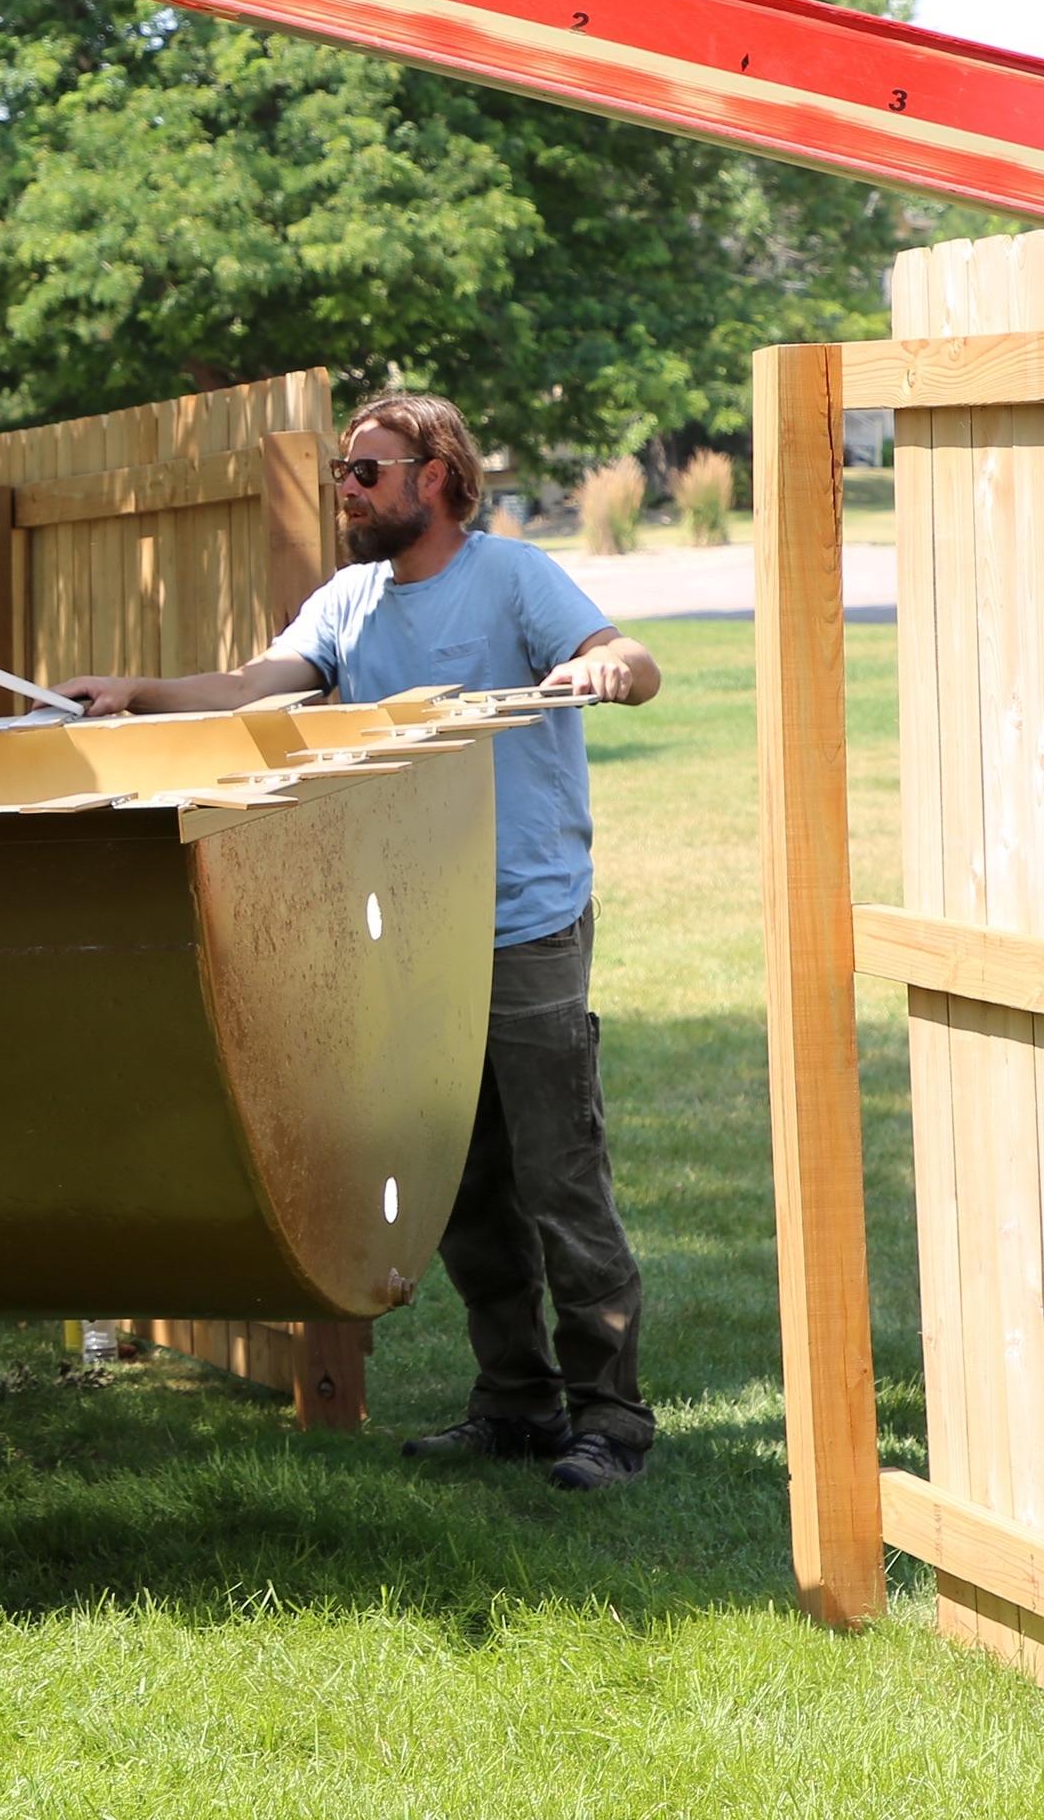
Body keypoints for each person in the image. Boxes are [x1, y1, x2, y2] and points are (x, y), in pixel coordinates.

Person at [54, 392, 665, 1492]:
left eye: (365, 472)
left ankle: (611, 1417)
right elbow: (252, 692)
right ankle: (517, 1404)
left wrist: (609, 668)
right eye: (342, 470)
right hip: (413, 937)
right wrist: (136, 694)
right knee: (461, 1186)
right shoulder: (350, 603)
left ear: (434, 477)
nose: (345, 489)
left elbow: (625, 655)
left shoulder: (511, 578)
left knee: (558, 1178)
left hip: (523, 926)